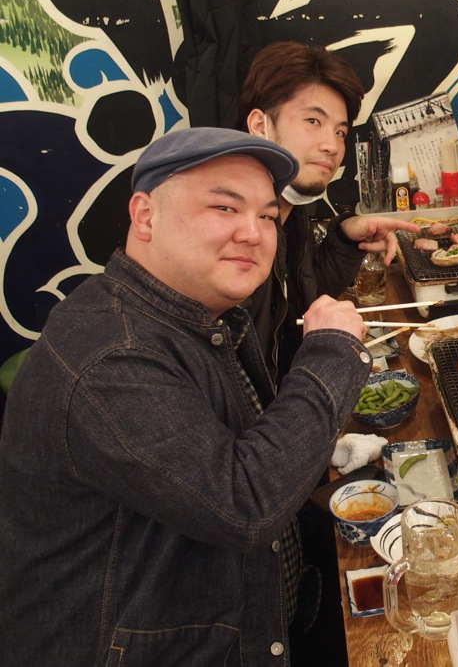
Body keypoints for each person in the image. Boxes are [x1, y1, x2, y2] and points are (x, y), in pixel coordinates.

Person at [0, 128, 373, 665]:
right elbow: (246, 504)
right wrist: (334, 352)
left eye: (267, 216)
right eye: (224, 207)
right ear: (145, 215)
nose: (253, 233)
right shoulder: (112, 353)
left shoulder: (199, 316)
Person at [235, 41, 418, 382]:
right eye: (313, 121)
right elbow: (242, 393)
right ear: (260, 125)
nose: (332, 146)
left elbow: (301, 300)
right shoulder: (235, 237)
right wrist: (328, 355)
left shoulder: (291, 212)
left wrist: (345, 239)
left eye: (340, 131)